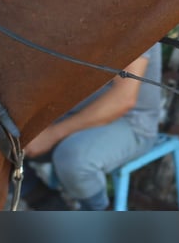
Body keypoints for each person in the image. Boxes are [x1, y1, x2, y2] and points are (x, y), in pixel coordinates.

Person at [20, 42, 162, 210]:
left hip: (130, 123)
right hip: (72, 113)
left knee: (73, 159)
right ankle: (48, 204)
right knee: (2, 138)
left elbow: (122, 100)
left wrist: (52, 134)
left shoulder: (136, 21)